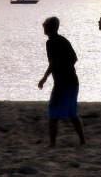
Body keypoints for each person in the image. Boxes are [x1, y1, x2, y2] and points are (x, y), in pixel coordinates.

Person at [37, 16, 85, 147]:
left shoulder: (51, 42)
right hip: (72, 80)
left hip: (62, 82)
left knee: (53, 111)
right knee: (72, 112)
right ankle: (82, 140)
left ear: (51, 27)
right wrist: (67, 67)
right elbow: (74, 58)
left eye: (45, 24)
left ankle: (52, 144)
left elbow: (54, 61)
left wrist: (44, 78)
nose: (43, 26)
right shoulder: (64, 40)